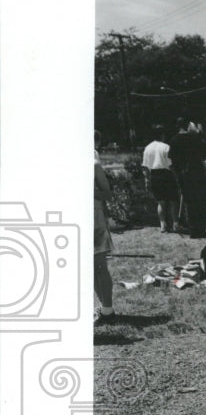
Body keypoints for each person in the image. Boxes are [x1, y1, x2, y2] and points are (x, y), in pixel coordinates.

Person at [168, 117, 206, 238]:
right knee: (200, 201)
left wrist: (178, 175)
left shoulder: (174, 140)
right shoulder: (195, 138)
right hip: (197, 172)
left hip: (183, 174)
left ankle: (193, 230)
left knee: (189, 202)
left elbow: (172, 161)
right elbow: (204, 152)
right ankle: (201, 228)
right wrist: (199, 132)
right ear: (188, 126)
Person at [93, 131, 116, 326]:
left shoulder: (93, 163)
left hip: (94, 220)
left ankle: (108, 309)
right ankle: (102, 308)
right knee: (88, 268)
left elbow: (107, 193)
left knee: (99, 265)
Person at [141, 124, 179, 232]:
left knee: (161, 202)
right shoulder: (166, 147)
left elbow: (145, 166)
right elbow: (170, 165)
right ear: (163, 134)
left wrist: (147, 179)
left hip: (154, 175)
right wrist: (176, 176)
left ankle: (163, 225)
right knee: (173, 201)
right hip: (166, 175)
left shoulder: (148, 148)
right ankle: (175, 224)